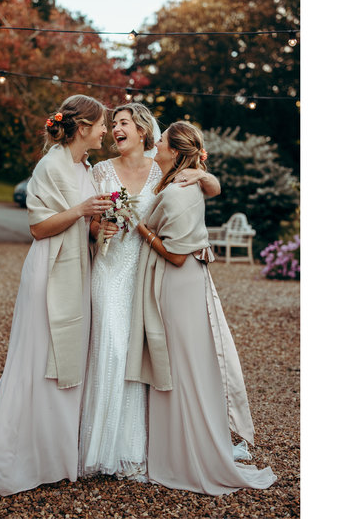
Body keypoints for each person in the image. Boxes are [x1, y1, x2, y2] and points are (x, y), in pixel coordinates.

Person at [0, 95, 114, 496]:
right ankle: (6, 452)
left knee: (66, 359)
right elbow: (39, 228)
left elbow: (87, 224)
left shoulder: (85, 166)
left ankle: (54, 456)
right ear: (82, 127)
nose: (105, 131)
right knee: (38, 359)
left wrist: (102, 228)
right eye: (100, 124)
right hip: (49, 269)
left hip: (76, 268)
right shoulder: (49, 165)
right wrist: (82, 211)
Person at [127, 121, 276, 495]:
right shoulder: (176, 181)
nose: (154, 144)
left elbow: (176, 256)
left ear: (175, 152)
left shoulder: (179, 192)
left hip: (180, 284)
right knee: (182, 361)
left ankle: (185, 451)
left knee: (180, 364)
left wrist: (141, 229)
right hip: (183, 284)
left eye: (160, 141)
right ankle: (177, 443)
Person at [78, 104, 221, 481]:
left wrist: (204, 179)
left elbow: (210, 184)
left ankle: (134, 448)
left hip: (146, 275)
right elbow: (91, 222)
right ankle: (100, 447)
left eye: (123, 123)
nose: (115, 129)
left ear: (142, 130)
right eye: (113, 125)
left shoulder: (164, 170)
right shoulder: (100, 171)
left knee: (136, 351)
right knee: (110, 343)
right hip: (110, 271)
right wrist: (99, 229)